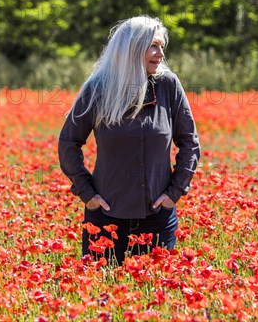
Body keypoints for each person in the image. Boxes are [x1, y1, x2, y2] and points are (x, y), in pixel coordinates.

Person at [58, 15, 201, 265]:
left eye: (162, 47)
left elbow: (189, 142)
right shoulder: (98, 88)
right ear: (132, 48)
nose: (160, 54)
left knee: (154, 297)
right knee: (101, 296)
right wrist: (87, 192)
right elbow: (68, 142)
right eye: (153, 46)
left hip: (158, 218)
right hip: (106, 216)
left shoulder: (168, 86)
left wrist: (174, 192)